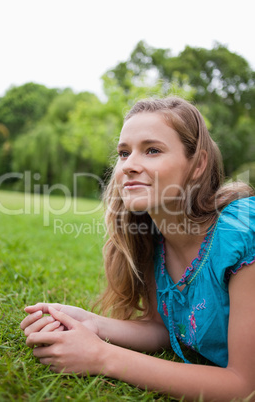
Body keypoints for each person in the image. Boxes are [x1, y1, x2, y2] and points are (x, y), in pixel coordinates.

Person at [20, 97, 255, 401]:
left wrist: (103, 357)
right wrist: (89, 322)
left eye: (152, 150)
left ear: (198, 165)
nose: (129, 165)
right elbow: (164, 329)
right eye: (123, 153)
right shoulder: (154, 240)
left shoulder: (241, 233)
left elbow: (243, 385)